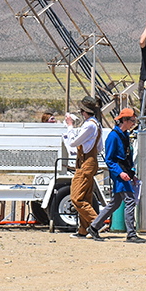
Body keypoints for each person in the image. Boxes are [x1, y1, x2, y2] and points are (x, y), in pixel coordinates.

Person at [87, 107, 145, 242]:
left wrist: (132, 174)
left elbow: (126, 157)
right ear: (124, 120)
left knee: (115, 203)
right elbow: (110, 159)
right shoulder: (113, 136)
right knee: (130, 201)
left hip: (124, 173)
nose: (133, 124)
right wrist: (120, 173)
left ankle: (94, 227)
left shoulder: (124, 135)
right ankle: (131, 233)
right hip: (119, 175)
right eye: (131, 121)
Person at [62, 97, 103, 237]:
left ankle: (97, 223)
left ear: (84, 111)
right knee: (86, 197)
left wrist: (70, 126)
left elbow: (73, 143)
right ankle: (84, 229)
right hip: (91, 162)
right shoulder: (97, 125)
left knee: (76, 198)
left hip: (84, 163)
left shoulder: (89, 126)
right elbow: (100, 147)